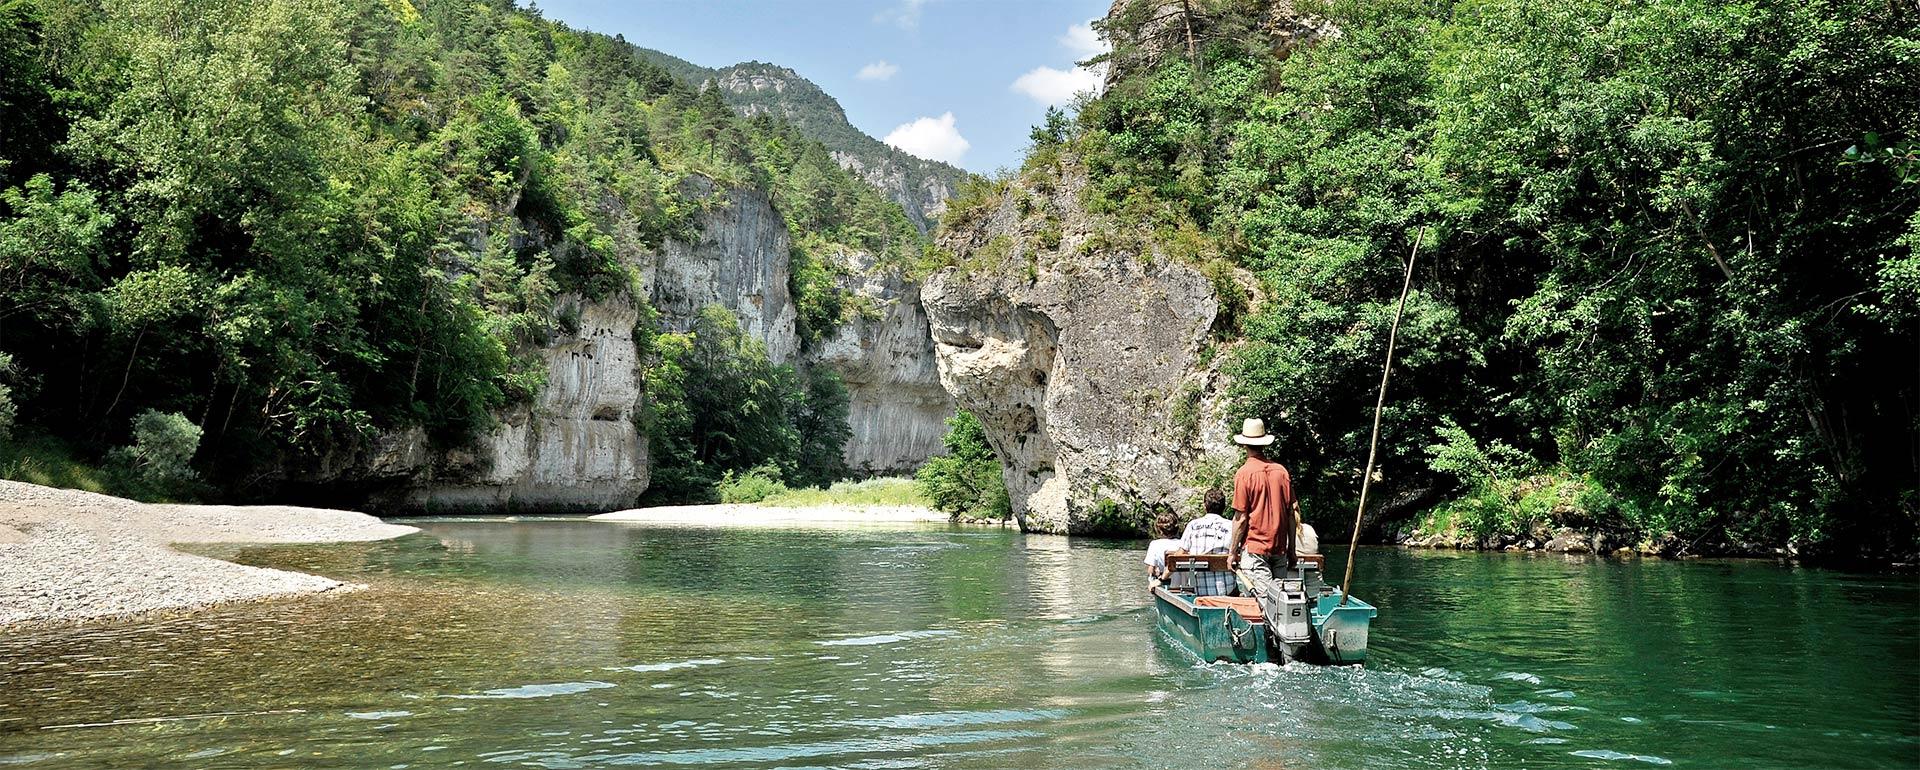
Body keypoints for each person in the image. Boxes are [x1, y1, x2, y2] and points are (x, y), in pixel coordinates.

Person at [1226, 417, 1297, 606]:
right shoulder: (1281, 472)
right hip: (1280, 549)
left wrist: (1232, 553)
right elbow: (1292, 514)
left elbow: (1240, 519)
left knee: (1263, 604)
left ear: (1244, 445)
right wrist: (1292, 550)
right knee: (1280, 603)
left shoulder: (1244, 473)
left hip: (1256, 549)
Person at [1179, 489, 1236, 595]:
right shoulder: (1232, 526)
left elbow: (1180, 554)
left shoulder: (1193, 525)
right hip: (1227, 589)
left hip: (1199, 590)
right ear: (1224, 508)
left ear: (1205, 506)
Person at [1142, 505, 1185, 589]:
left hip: (1165, 585)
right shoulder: (1183, 545)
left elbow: (1151, 570)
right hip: (1184, 586)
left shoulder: (1155, 544)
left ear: (1159, 531)